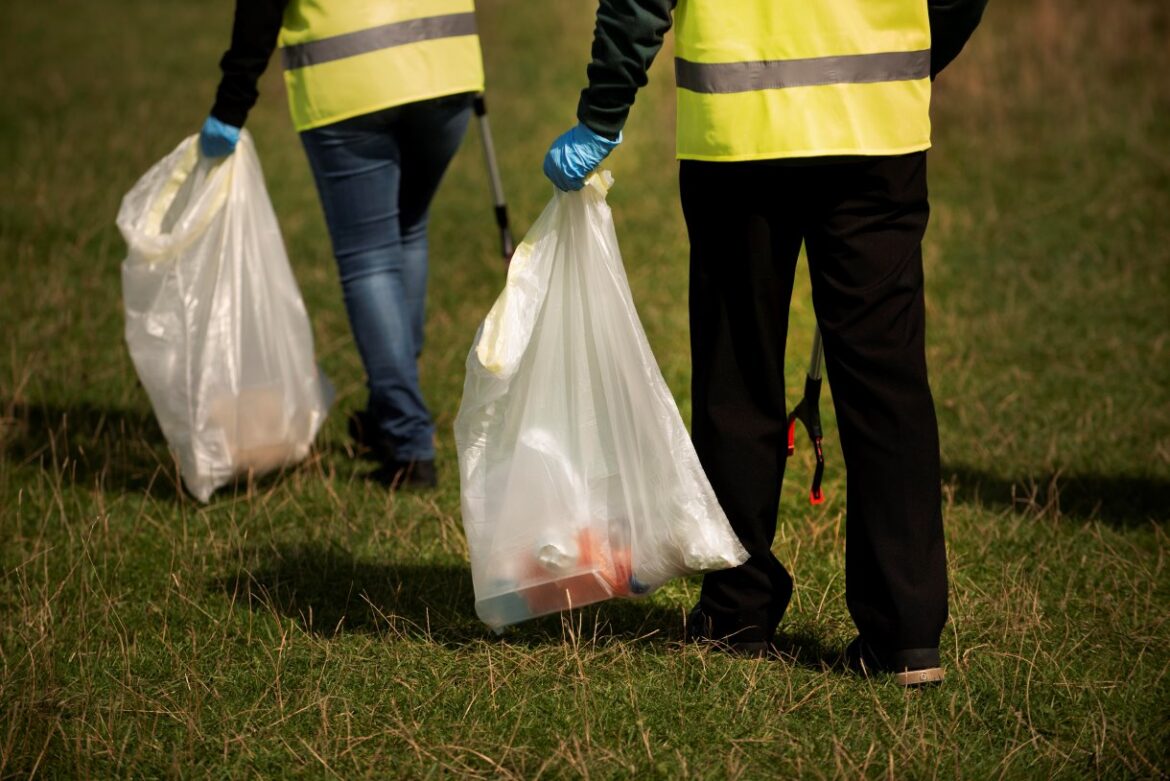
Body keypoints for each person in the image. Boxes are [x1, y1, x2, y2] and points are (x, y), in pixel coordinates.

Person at [544, 0, 986, 685]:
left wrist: (604, 107)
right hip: (877, 119)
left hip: (739, 128)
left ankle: (735, 611)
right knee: (885, 379)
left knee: (738, 372)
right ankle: (905, 633)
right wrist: (914, 56)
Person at [201, 0, 487, 489]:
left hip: (351, 81)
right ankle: (390, 407)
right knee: (406, 229)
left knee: (371, 258)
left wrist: (231, 104)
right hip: (446, 65)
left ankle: (408, 440)